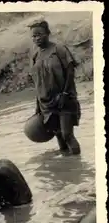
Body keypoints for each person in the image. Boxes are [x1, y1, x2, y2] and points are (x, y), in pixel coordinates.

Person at [29, 20, 82, 155]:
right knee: (58, 134)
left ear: (48, 33)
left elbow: (70, 72)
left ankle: (77, 163)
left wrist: (64, 94)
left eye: (39, 34)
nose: (36, 38)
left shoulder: (59, 49)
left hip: (64, 99)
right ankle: (67, 169)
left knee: (67, 134)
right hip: (46, 103)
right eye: (34, 36)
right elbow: (38, 82)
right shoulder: (35, 56)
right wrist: (38, 105)